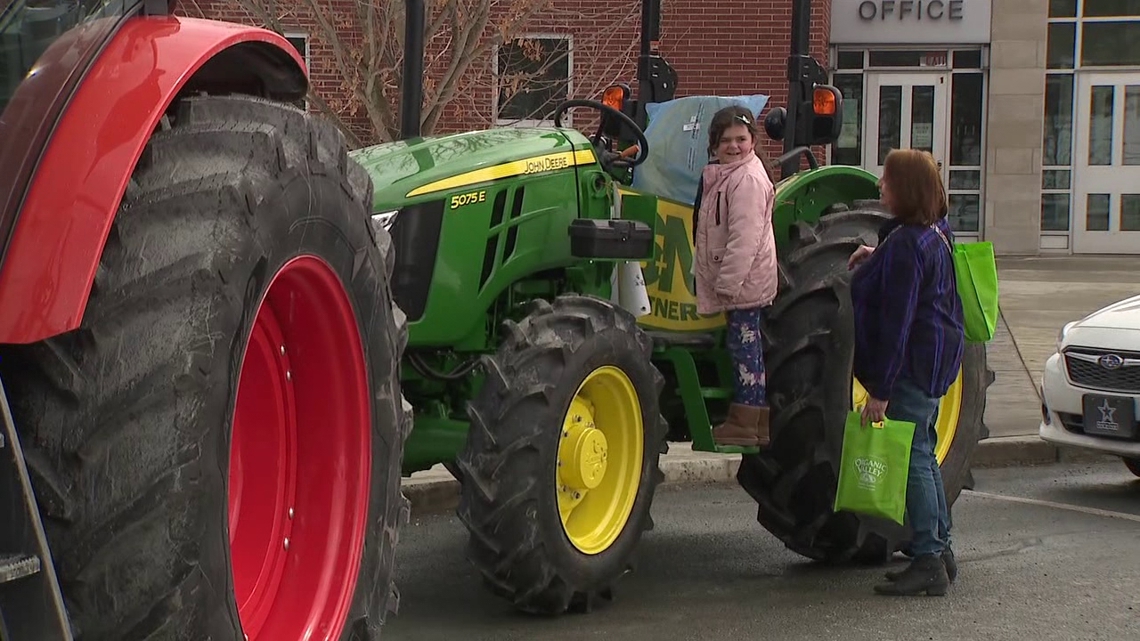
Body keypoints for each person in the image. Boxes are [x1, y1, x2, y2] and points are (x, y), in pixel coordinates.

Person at [847, 148, 965, 596]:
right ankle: (941, 549)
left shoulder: (909, 245)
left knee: (914, 455)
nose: (880, 186)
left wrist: (880, 389)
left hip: (913, 366)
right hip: (935, 363)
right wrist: (876, 254)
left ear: (906, 188)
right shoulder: (934, 232)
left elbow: (898, 323)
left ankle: (929, 558)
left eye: (887, 181)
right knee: (925, 448)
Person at [691, 105, 778, 448]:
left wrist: (727, 284)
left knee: (745, 348)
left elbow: (745, 239)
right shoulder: (727, 175)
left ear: (753, 141)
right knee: (745, 347)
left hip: (745, 283)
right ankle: (752, 422)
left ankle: (747, 420)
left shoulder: (747, 181)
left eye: (741, 139)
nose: (734, 146)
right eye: (726, 140)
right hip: (740, 282)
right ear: (714, 145)